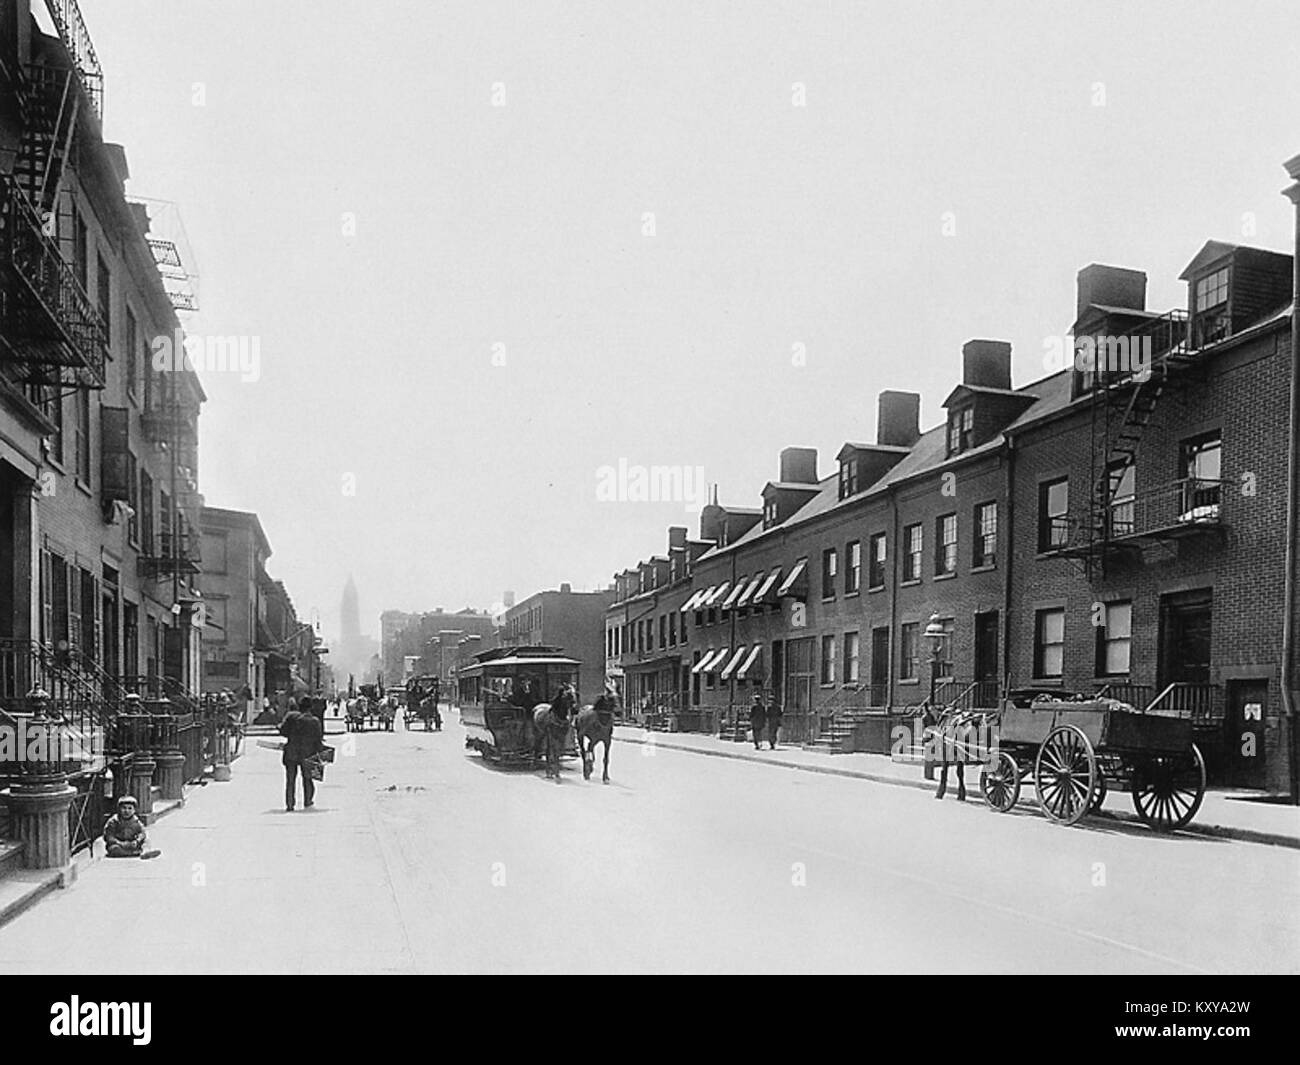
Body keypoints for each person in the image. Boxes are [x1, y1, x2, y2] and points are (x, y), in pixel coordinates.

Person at [280, 699, 324, 811]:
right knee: (307, 778)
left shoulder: (292, 719)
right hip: (307, 754)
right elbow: (318, 740)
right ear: (311, 708)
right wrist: (321, 754)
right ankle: (307, 800)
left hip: (291, 753)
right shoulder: (315, 721)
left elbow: (283, 732)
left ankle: (290, 804)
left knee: (290, 780)